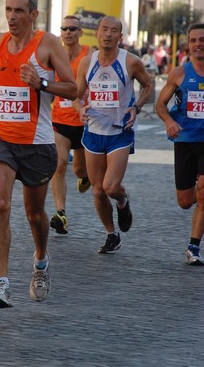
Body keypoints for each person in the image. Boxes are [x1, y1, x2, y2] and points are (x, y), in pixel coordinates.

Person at [0, 0, 77, 309]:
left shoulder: (46, 44)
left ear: (33, 14)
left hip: (36, 142)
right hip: (0, 136)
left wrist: (42, 83)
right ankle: (2, 283)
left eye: (19, 10)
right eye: (8, 9)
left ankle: (41, 260)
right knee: (0, 204)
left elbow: (73, 88)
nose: (12, 17)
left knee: (35, 215)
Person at [76, 16, 151, 254]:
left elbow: (148, 85)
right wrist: (80, 109)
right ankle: (112, 234)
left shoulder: (130, 61)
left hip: (120, 132)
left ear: (120, 36)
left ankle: (122, 200)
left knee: (110, 187)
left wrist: (136, 107)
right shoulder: (87, 63)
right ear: (97, 33)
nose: (108, 34)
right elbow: (75, 95)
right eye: (104, 30)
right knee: (97, 190)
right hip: (94, 132)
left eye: (114, 31)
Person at [155, 22, 204, 265]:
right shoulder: (179, 74)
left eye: (202, 40)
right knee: (185, 201)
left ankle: (193, 247)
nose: (198, 44)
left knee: (203, 192)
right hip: (185, 139)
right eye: (194, 40)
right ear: (189, 44)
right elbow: (160, 105)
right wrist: (167, 122)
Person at [50, 14, 94, 235]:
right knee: (58, 165)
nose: (67, 32)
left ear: (80, 32)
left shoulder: (90, 54)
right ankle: (61, 213)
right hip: (59, 118)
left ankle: (85, 177)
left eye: (72, 29)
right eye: (64, 28)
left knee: (79, 170)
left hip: (85, 120)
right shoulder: (54, 54)